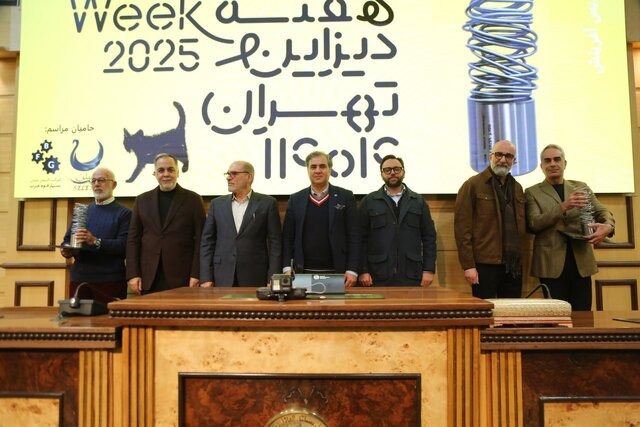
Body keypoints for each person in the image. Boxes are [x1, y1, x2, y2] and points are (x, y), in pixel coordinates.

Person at [524, 144, 615, 310]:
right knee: (557, 317)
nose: (553, 164)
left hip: (581, 262)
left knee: (583, 315)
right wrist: (563, 207)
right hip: (550, 264)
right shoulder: (532, 192)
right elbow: (534, 223)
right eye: (547, 161)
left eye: (557, 159)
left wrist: (608, 226)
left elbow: (602, 211)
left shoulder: (581, 187)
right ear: (541, 166)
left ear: (564, 163)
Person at [454, 139, 526, 299]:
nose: (503, 160)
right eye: (499, 154)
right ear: (490, 156)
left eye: (508, 156)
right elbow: (462, 229)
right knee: (485, 310)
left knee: (512, 312)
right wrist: (468, 266)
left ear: (514, 161)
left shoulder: (517, 188)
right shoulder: (472, 185)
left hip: (513, 265)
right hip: (484, 264)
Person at [126, 153, 206, 295]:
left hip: (182, 277)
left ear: (178, 172)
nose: (166, 174)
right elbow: (133, 240)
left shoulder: (193, 200)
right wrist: (133, 274)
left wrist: (196, 274)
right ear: (155, 174)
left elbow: (201, 240)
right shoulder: (141, 200)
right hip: (149, 277)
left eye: (170, 169)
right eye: (161, 170)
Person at [281, 151, 360, 287]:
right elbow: (288, 238)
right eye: (313, 167)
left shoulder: (345, 196)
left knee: (336, 302)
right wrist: (287, 267)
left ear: (330, 169)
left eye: (322, 166)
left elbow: (354, 236)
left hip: (339, 273)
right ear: (308, 170)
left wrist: (352, 269)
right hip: (301, 273)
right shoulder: (295, 199)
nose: (318, 170)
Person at [358, 154, 436, 286]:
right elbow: (360, 239)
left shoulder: (418, 201)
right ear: (381, 174)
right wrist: (363, 270)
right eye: (387, 170)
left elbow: (429, 237)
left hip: (412, 274)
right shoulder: (369, 202)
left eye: (397, 169)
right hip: (377, 274)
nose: (392, 173)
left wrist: (428, 269)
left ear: (403, 172)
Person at [200, 161, 281, 287]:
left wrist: (273, 277)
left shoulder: (267, 203)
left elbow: (275, 243)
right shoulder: (217, 204)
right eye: (228, 174)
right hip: (222, 274)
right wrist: (206, 277)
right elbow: (207, 242)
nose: (228, 178)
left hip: (255, 274)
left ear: (249, 177)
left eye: (234, 174)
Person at [60, 167, 131, 304]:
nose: (97, 184)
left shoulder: (124, 213)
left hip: (110, 281)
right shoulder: (82, 211)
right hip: (79, 279)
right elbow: (67, 240)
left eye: (101, 180)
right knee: (77, 317)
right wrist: (66, 250)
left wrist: (95, 241)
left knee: (108, 318)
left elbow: (123, 246)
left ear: (114, 185)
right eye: (93, 181)